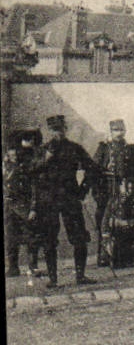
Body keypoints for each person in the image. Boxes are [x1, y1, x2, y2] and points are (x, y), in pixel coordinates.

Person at [32, 114, 99, 286]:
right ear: (49, 131)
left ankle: (80, 276)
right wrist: (46, 158)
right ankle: (53, 279)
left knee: (79, 237)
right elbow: (32, 172)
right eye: (54, 130)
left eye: (60, 129)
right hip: (49, 201)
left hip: (70, 198)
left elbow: (91, 169)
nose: (58, 133)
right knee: (49, 239)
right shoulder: (43, 150)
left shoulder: (75, 148)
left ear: (65, 129)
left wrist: (82, 191)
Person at [93, 119, 134, 268]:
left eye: (121, 130)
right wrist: (97, 189)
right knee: (104, 221)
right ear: (111, 131)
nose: (119, 133)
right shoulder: (104, 148)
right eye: (116, 130)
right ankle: (104, 255)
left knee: (127, 218)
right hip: (107, 188)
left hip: (126, 187)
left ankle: (127, 255)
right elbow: (95, 170)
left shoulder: (130, 149)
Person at [5, 130, 41, 279]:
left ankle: (33, 267)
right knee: (10, 237)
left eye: (15, 155)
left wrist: (33, 208)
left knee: (31, 236)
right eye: (10, 155)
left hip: (24, 205)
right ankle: (13, 267)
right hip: (9, 206)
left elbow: (34, 188)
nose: (12, 157)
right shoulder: (6, 168)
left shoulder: (25, 168)